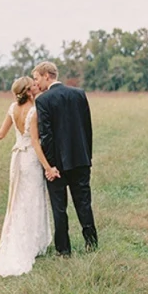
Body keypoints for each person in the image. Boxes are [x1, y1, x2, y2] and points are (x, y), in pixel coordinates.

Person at [0, 76, 52, 276]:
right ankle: (32, 244)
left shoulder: (13, 108)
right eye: (34, 85)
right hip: (29, 160)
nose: (37, 87)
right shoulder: (34, 112)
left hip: (16, 159)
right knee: (32, 199)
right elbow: (36, 143)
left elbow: (1, 134)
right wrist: (48, 167)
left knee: (17, 199)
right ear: (28, 91)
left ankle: (22, 239)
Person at [33, 61, 98, 257]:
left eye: (37, 78)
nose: (37, 84)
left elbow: (47, 136)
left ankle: (64, 250)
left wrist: (50, 166)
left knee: (59, 208)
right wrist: (87, 156)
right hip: (81, 159)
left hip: (57, 165)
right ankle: (91, 243)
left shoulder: (43, 101)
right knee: (84, 203)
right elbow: (87, 128)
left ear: (47, 75)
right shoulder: (79, 94)